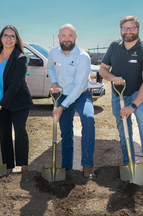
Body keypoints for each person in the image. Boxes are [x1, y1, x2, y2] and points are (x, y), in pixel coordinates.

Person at [99, 16, 143, 181]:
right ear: (121, 30)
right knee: (124, 129)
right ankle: (128, 163)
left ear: (138, 29)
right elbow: (103, 70)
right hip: (118, 94)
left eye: (132, 28)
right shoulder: (114, 46)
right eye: (125, 28)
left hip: (138, 93)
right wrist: (113, 78)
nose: (128, 31)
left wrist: (133, 106)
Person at [47, 23, 96, 179]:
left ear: (75, 37)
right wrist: (54, 82)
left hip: (81, 94)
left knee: (88, 119)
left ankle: (87, 165)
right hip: (63, 93)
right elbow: (50, 68)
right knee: (66, 131)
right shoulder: (53, 53)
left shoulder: (83, 57)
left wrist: (61, 107)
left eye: (70, 36)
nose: (66, 39)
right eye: (63, 35)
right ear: (58, 37)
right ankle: (66, 167)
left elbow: (79, 85)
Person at [0, 25, 33, 175]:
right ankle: (8, 166)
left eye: (12, 36)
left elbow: (15, 85)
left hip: (18, 102)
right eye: (6, 35)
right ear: (1, 38)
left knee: (19, 130)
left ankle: (24, 166)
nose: (8, 39)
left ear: (17, 40)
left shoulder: (20, 58)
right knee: (4, 133)